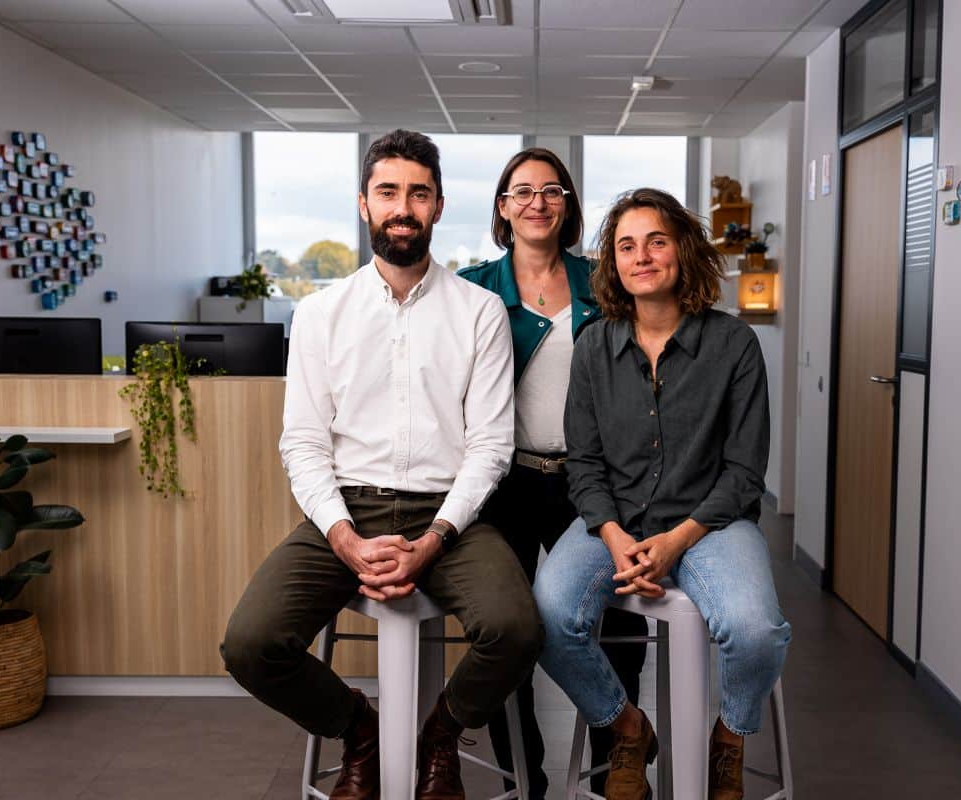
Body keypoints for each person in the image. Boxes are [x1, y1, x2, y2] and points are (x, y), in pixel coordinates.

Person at [221, 129, 542, 800]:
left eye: (418, 194)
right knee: (250, 643)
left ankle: (440, 736)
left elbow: (490, 447)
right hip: (347, 508)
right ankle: (360, 730)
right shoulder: (320, 314)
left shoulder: (480, 312)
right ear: (364, 203)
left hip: (449, 515)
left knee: (516, 630)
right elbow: (303, 443)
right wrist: (343, 537)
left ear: (439, 206)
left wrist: (434, 539)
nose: (403, 207)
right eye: (388, 192)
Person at [534, 188, 792, 800]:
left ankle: (730, 738)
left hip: (711, 525)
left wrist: (676, 541)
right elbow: (584, 462)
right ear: (613, 264)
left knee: (755, 629)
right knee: (544, 618)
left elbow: (744, 471)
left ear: (684, 250)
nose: (642, 256)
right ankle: (626, 727)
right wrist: (614, 536)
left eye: (656, 241)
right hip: (614, 523)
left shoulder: (733, 344)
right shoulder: (593, 346)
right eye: (627, 246)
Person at [457, 148, 648, 799]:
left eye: (552, 190)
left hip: (592, 483)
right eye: (523, 191)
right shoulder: (474, 288)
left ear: (567, 205)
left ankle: (617, 768)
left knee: (618, 627)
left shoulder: (605, 283)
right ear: (503, 207)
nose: (537, 202)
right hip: (503, 482)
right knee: (508, 632)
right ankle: (524, 781)